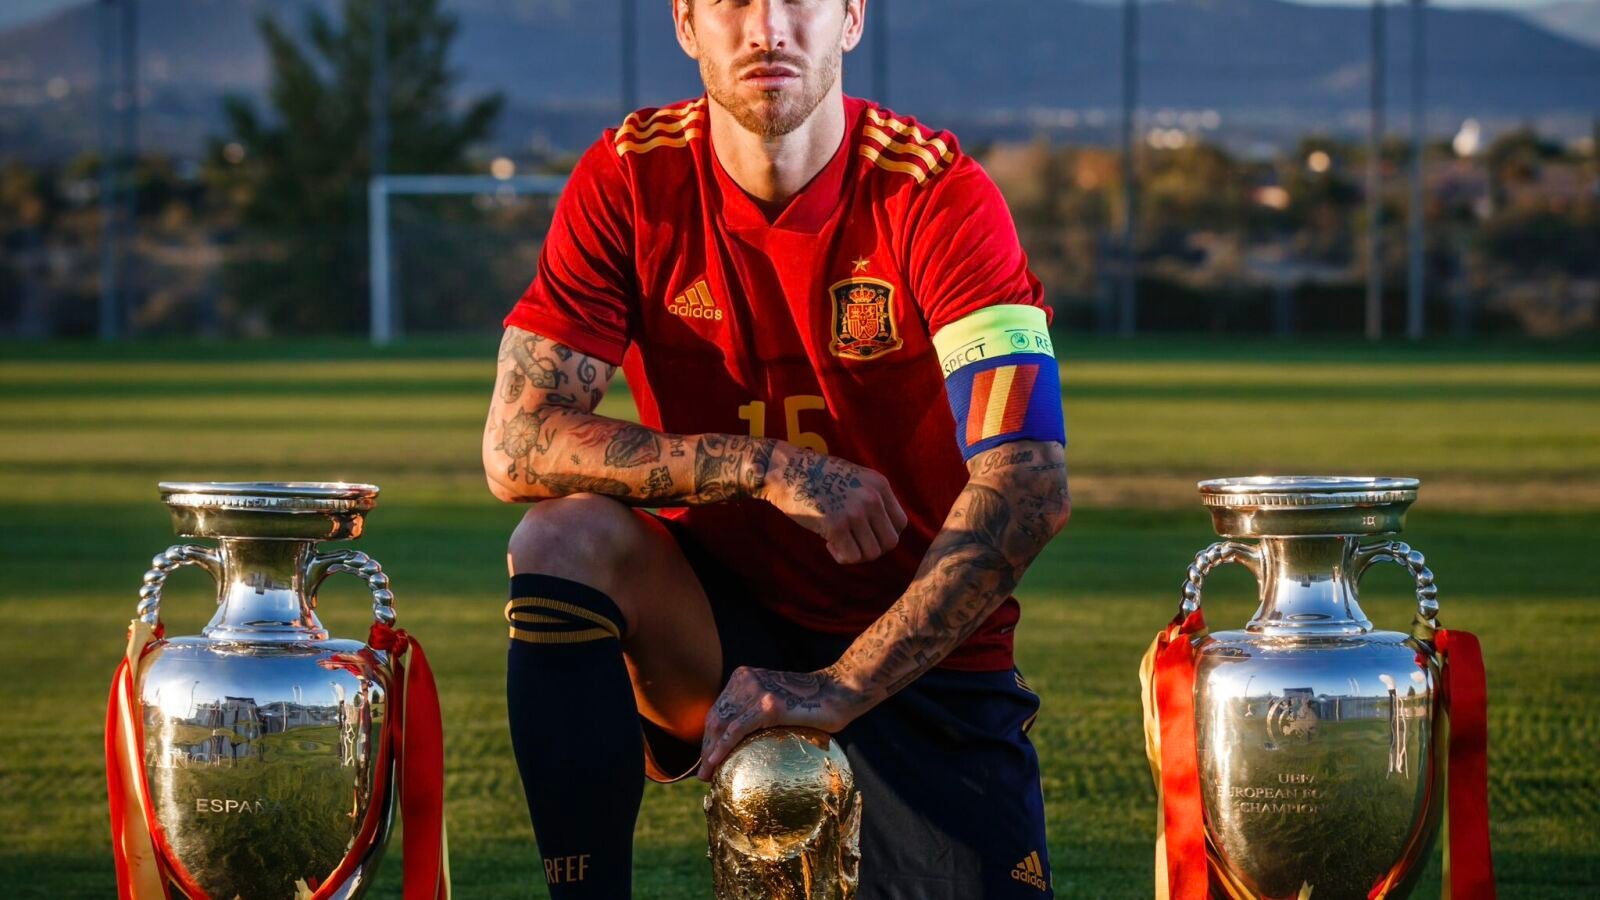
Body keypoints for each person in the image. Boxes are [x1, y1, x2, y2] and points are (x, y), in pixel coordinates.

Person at [481, 1, 1070, 897]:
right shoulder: (631, 177)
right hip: (715, 626)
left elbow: (1028, 484)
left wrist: (840, 686)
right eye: (732, 2)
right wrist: (767, 467)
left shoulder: (936, 194)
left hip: (919, 649)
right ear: (686, 24)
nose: (768, 28)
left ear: (852, 17)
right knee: (560, 540)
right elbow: (514, 443)